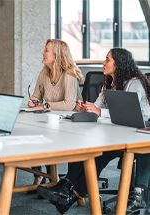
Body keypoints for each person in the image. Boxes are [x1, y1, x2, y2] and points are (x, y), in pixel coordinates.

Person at [37, 48, 150, 214]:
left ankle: (71, 194)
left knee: (99, 155)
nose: (103, 63)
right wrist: (88, 108)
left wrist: (100, 112)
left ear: (118, 63)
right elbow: (99, 106)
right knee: (84, 147)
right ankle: (67, 187)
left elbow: (136, 113)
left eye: (107, 60)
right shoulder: (109, 83)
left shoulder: (134, 83)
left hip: (138, 132)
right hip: (116, 130)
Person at [28, 39, 84, 186]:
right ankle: (40, 173)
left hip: (70, 123)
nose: (43, 53)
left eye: (46, 50)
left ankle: (55, 179)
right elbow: (36, 95)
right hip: (51, 120)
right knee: (31, 131)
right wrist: (32, 101)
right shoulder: (44, 72)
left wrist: (45, 106)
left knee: (43, 135)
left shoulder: (69, 74)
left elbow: (69, 104)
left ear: (57, 55)